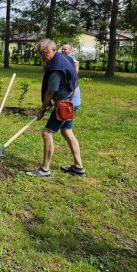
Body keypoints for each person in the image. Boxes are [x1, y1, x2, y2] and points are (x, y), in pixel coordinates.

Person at [26, 38, 85, 178]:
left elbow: (50, 92)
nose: (42, 57)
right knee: (66, 131)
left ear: (54, 50)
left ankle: (45, 170)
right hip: (73, 101)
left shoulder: (55, 69)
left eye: (45, 53)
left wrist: (42, 110)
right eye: (40, 53)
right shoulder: (65, 58)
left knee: (47, 133)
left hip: (66, 105)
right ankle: (78, 167)